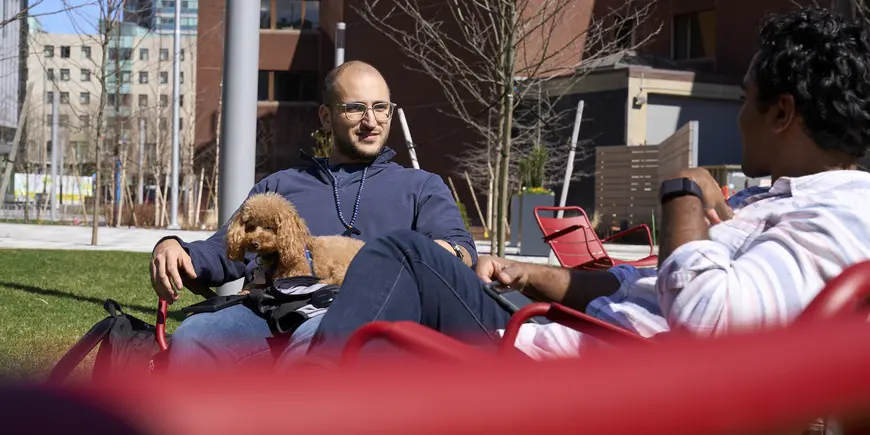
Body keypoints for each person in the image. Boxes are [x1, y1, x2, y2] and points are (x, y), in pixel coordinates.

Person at [304, 7, 870, 360]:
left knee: (405, 256)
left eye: (747, 99)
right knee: (393, 314)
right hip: (556, 334)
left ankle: (303, 398)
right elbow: (640, 286)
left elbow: (709, 325)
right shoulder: (775, 198)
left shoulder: (840, 221)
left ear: (782, 113)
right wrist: (532, 274)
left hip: (574, 375)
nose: (741, 115)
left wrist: (682, 193)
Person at [150, 61, 476, 369]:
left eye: (381, 107)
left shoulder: (421, 186)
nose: (371, 121)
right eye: (355, 108)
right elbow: (225, 248)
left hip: (363, 312)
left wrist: (443, 254)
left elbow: (460, 247)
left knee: (318, 340)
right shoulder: (281, 185)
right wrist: (176, 248)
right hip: (270, 310)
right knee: (195, 337)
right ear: (326, 117)